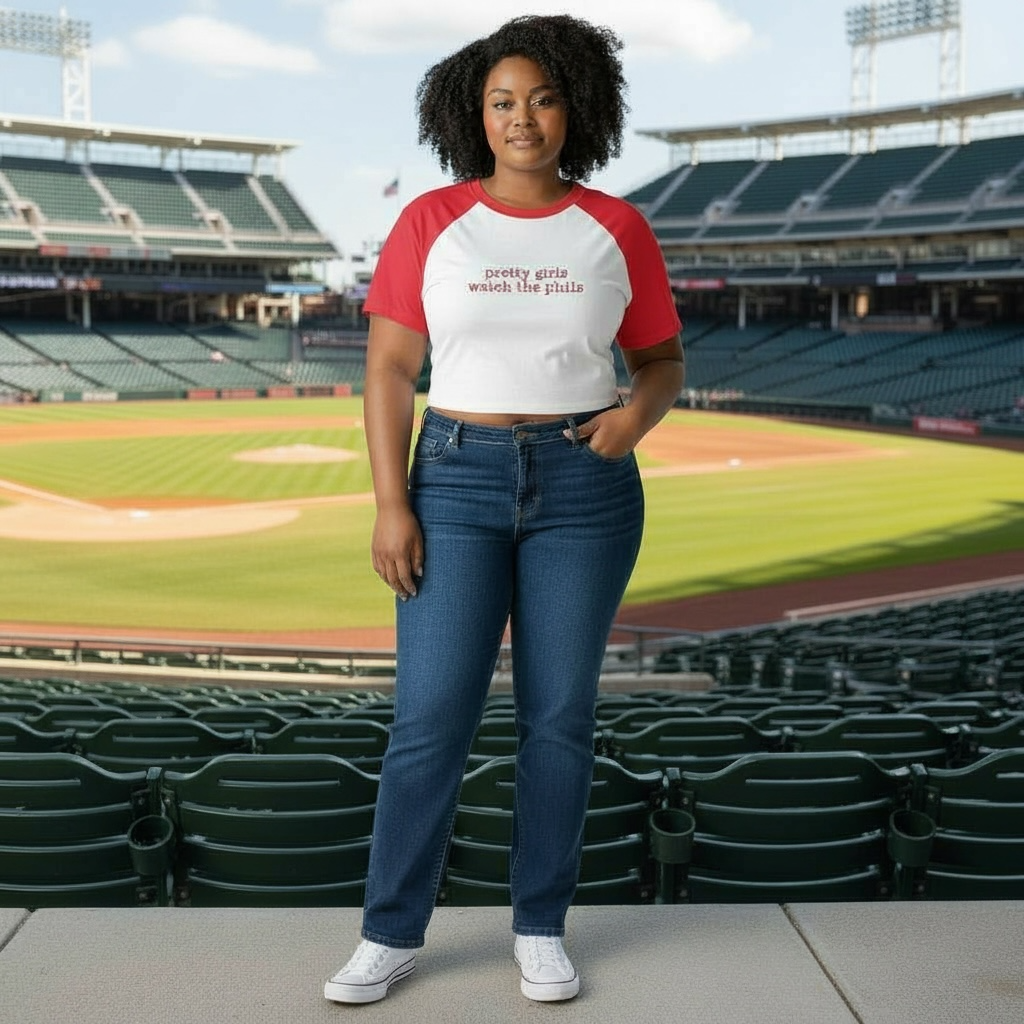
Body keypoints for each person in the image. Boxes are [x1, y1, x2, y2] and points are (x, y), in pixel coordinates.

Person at [324, 13, 684, 1006]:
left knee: (557, 720)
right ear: (472, 116)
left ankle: (538, 924)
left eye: (541, 97)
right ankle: (390, 929)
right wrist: (392, 502)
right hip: (454, 476)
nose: (522, 118)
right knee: (429, 719)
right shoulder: (430, 221)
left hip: (584, 485)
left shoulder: (619, 228)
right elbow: (391, 369)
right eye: (500, 102)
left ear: (577, 105)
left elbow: (660, 364)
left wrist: (630, 424)